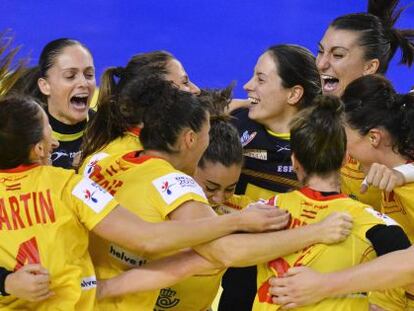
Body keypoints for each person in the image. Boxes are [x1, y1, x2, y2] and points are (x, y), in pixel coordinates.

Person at [0, 95, 282, 309]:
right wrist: (240, 221)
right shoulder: (69, 185)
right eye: (49, 129)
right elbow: (148, 239)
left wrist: (6, 283)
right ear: (190, 139)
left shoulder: (105, 157)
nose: (56, 143)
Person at [249, 94, 410, 310]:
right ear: (345, 158)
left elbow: (222, 252)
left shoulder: (261, 213)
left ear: (294, 160)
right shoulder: (375, 226)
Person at [220, 43, 321, 311]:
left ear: (294, 94)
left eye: (261, 79)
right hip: (239, 269)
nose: (247, 85)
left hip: (295, 277)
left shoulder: (322, 146)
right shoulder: (234, 126)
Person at [316, 0, 414, 209]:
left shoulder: (400, 122)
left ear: (370, 67)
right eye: (320, 51)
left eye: (338, 55)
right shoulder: (318, 112)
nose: (321, 63)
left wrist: (402, 174)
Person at [78, 50, 200, 170]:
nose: (196, 90)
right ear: (155, 94)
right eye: (185, 82)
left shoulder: (116, 147)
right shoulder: (151, 165)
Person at [8, 38, 97, 169]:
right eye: (70, 76)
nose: (84, 83)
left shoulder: (106, 131)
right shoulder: (22, 135)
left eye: (89, 75)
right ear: (45, 86)